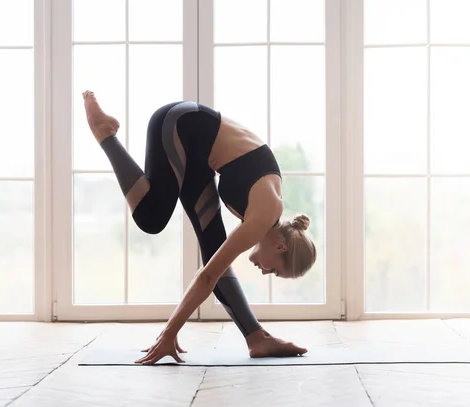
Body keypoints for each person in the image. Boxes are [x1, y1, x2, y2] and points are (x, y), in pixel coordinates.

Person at [82, 91, 317, 365]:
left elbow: (212, 271)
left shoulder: (265, 213)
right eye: (275, 270)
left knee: (214, 252)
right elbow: (207, 278)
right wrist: (169, 333)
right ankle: (105, 134)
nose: (265, 272)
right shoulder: (265, 212)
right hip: (181, 125)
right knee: (151, 217)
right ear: (280, 246)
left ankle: (256, 338)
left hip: (199, 156)